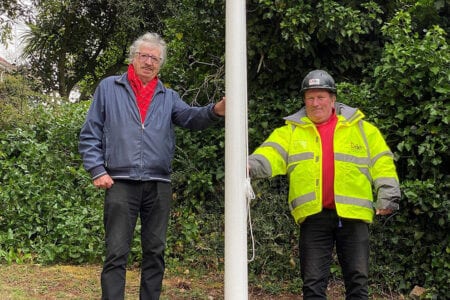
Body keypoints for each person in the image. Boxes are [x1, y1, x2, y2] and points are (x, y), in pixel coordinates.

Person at [78, 32, 225, 300]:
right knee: (116, 253)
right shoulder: (109, 87)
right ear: (133, 58)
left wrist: (215, 110)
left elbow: (190, 117)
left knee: (155, 252)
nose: (148, 61)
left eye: (154, 58)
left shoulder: (168, 96)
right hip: (120, 181)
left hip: (158, 184)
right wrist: (97, 169)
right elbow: (90, 133)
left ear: (160, 64)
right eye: (143, 55)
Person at [248, 70, 400, 299]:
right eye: (310, 98)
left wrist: (388, 195)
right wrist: (247, 165)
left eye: (320, 97)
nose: (315, 103)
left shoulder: (361, 129)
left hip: (354, 215)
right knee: (312, 285)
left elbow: (382, 162)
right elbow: (270, 154)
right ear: (304, 100)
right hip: (314, 216)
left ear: (332, 99)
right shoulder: (291, 132)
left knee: (358, 283)